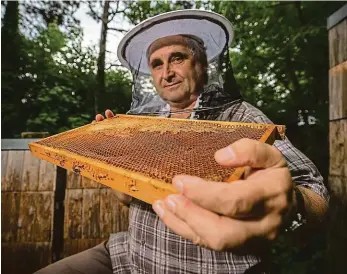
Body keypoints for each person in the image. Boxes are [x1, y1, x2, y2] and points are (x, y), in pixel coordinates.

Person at [35, 9, 328, 274]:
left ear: (200, 64)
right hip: (128, 257)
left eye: (177, 57)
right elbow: (128, 198)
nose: (167, 72)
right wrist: (109, 155)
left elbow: (317, 192)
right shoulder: (143, 124)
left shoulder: (244, 117)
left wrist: (291, 203)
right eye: (157, 64)